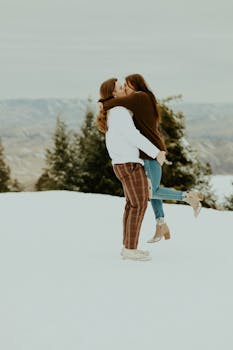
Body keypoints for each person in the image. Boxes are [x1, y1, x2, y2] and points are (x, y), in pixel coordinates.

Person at [101, 73, 204, 243]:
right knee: (151, 190)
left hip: (151, 151)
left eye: (127, 85)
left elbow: (115, 102)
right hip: (148, 151)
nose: (125, 88)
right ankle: (161, 224)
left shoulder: (139, 96)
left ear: (135, 85)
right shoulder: (142, 98)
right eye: (123, 86)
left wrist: (102, 103)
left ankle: (188, 197)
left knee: (151, 191)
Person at [97, 78, 165, 261]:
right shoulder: (119, 111)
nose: (124, 89)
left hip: (121, 163)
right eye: (120, 87)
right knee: (139, 204)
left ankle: (128, 246)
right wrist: (156, 152)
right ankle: (130, 249)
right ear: (114, 93)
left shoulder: (114, 110)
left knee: (132, 205)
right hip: (129, 163)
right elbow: (132, 135)